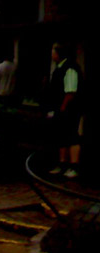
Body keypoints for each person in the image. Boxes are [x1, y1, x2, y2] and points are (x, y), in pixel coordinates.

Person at [46, 42, 83, 180]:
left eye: (53, 51)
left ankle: (74, 166)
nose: (52, 54)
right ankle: (62, 163)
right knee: (61, 136)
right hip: (59, 109)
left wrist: (62, 108)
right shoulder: (58, 69)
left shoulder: (70, 68)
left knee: (71, 136)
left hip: (69, 109)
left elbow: (70, 92)